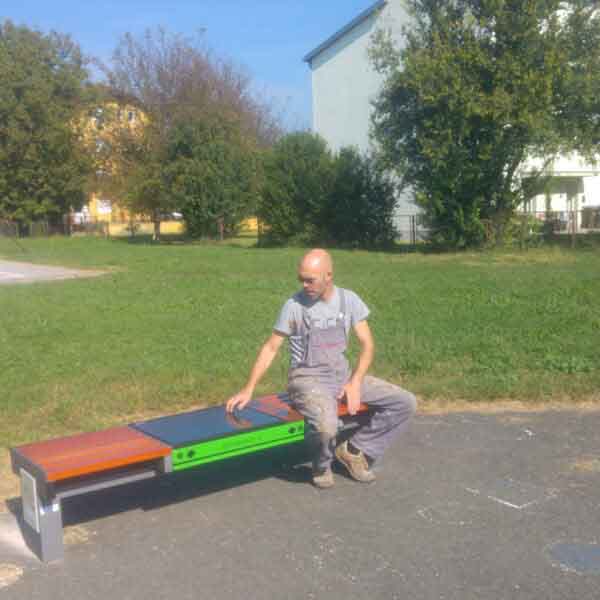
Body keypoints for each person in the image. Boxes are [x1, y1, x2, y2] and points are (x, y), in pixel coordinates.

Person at [225, 249, 416, 488]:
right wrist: (248, 388)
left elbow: (367, 344)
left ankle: (354, 450)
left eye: (310, 280)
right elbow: (271, 348)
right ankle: (321, 464)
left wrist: (355, 382)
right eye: (301, 279)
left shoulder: (349, 300)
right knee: (327, 425)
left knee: (404, 402)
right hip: (307, 380)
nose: (304, 285)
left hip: (342, 376)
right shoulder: (294, 306)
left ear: (328, 276)